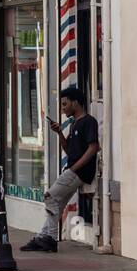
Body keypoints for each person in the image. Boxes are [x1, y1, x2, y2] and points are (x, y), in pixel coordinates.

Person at [22, 87, 101, 252]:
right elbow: (69, 151)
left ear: (76, 102)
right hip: (74, 169)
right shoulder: (74, 124)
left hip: (78, 172)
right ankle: (41, 237)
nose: (63, 108)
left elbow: (94, 147)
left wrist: (75, 168)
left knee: (49, 197)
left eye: (65, 104)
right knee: (56, 203)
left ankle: (50, 238)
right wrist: (60, 133)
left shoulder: (89, 121)